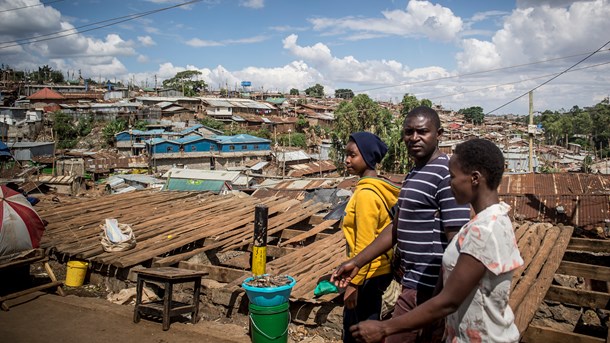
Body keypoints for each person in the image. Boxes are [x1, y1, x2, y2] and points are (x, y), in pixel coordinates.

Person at [346, 138, 524, 342]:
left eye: (453, 177)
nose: (449, 184)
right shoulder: (491, 220)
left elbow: (449, 301)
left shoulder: (484, 231)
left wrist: (384, 328)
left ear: (474, 178)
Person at [332, 106, 471, 343]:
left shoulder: (446, 174)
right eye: (408, 132)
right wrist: (357, 262)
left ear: (439, 134)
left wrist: (440, 299)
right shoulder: (415, 174)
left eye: (422, 131)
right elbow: (397, 227)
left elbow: (457, 242)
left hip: (429, 290)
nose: (414, 138)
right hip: (412, 283)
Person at [339, 132, 401, 343]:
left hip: (368, 277)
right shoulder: (379, 187)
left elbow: (364, 243)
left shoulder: (366, 194)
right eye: (346, 154)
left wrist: (353, 285)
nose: (347, 160)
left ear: (368, 157)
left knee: (357, 334)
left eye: (353, 155)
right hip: (379, 273)